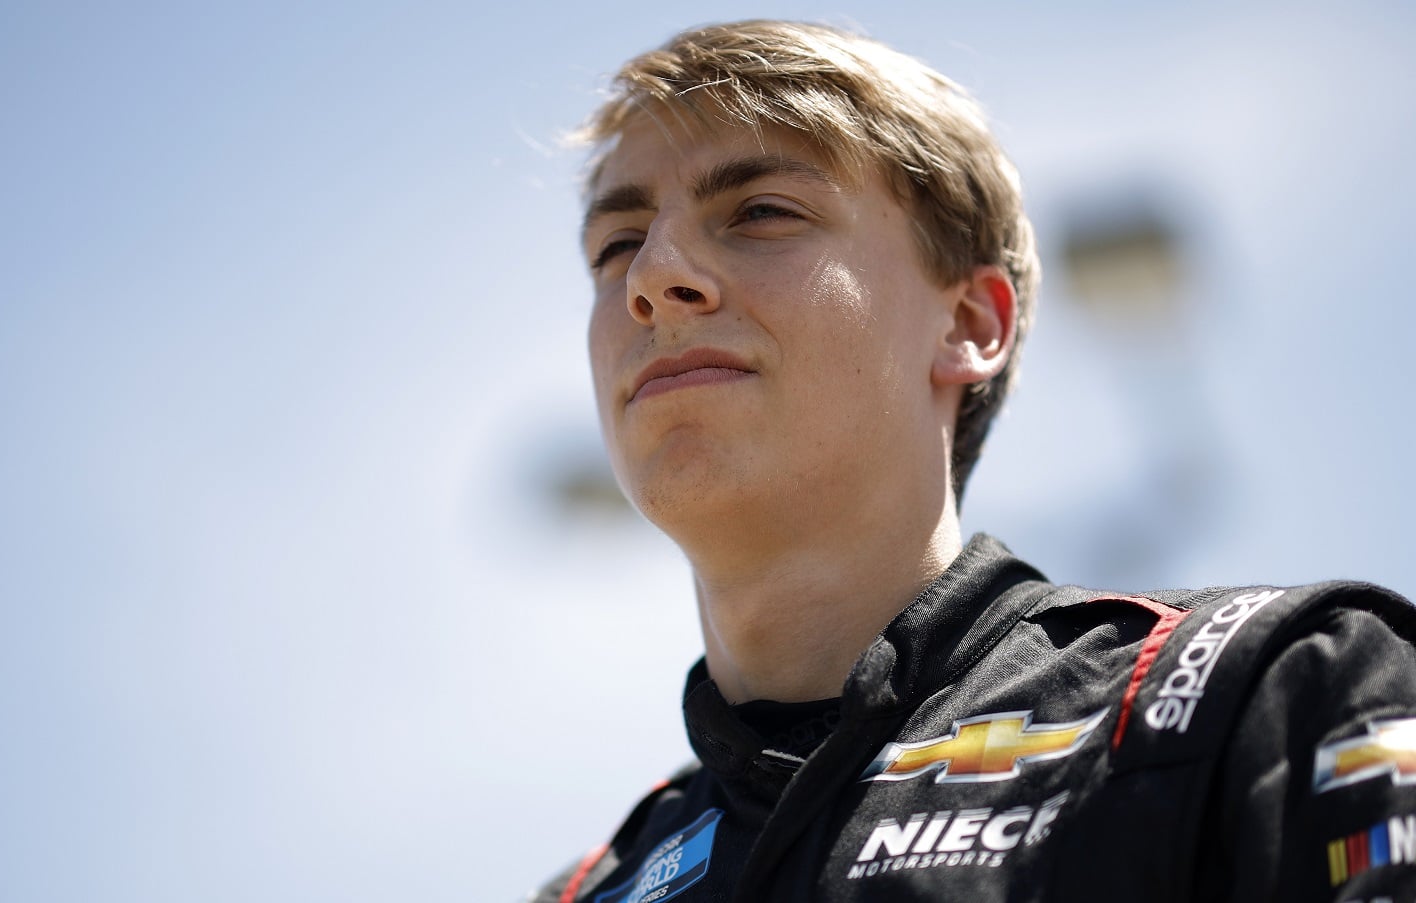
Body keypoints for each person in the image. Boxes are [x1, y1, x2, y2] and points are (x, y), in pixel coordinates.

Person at [530, 19, 1416, 903]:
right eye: (618, 246)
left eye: (761, 211)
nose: (653, 276)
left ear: (969, 325)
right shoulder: (585, 891)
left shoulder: (1277, 692)